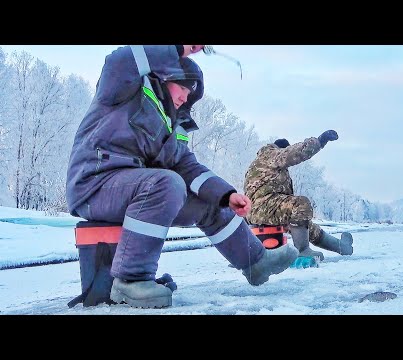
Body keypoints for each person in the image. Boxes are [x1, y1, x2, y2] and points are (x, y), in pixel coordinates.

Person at [66, 45, 298, 309]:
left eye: (190, 94)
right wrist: (178, 48)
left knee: (207, 200)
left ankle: (255, 262)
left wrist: (227, 195)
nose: (185, 99)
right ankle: (131, 280)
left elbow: (187, 166)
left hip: (133, 191)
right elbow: (122, 58)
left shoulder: (170, 124)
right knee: (167, 183)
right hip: (93, 185)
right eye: (183, 89)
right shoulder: (123, 87)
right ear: (165, 78)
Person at [244, 132, 354, 262]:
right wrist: (319, 142)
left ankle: (341, 247)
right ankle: (302, 251)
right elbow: (293, 153)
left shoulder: (263, 163)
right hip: (262, 209)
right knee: (301, 204)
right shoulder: (270, 154)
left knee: (305, 224)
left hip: (262, 210)